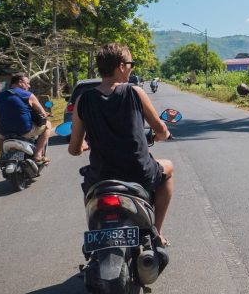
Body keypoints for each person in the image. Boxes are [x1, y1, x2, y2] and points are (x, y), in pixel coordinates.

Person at [68, 43, 175, 245]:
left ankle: (97, 235)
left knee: (90, 191)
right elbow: (160, 129)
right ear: (121, 66)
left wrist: (82, 145)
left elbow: (74, 149)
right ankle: (157, 231)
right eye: (131, 64)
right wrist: (164, 134)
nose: (131, 68)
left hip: (101, 176)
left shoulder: (83, 100)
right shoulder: (135, 92)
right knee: (168, 168)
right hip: (139, 173)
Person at [0, 73, 52, 163]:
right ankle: (38, 154)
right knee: (48, 125)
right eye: (27, 83)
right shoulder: (28, 95)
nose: (29, 86)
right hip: (25, 130)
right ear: (20, 82)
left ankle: (3, 154)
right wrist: (45, 114)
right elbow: (42, 113)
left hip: (4, 132)